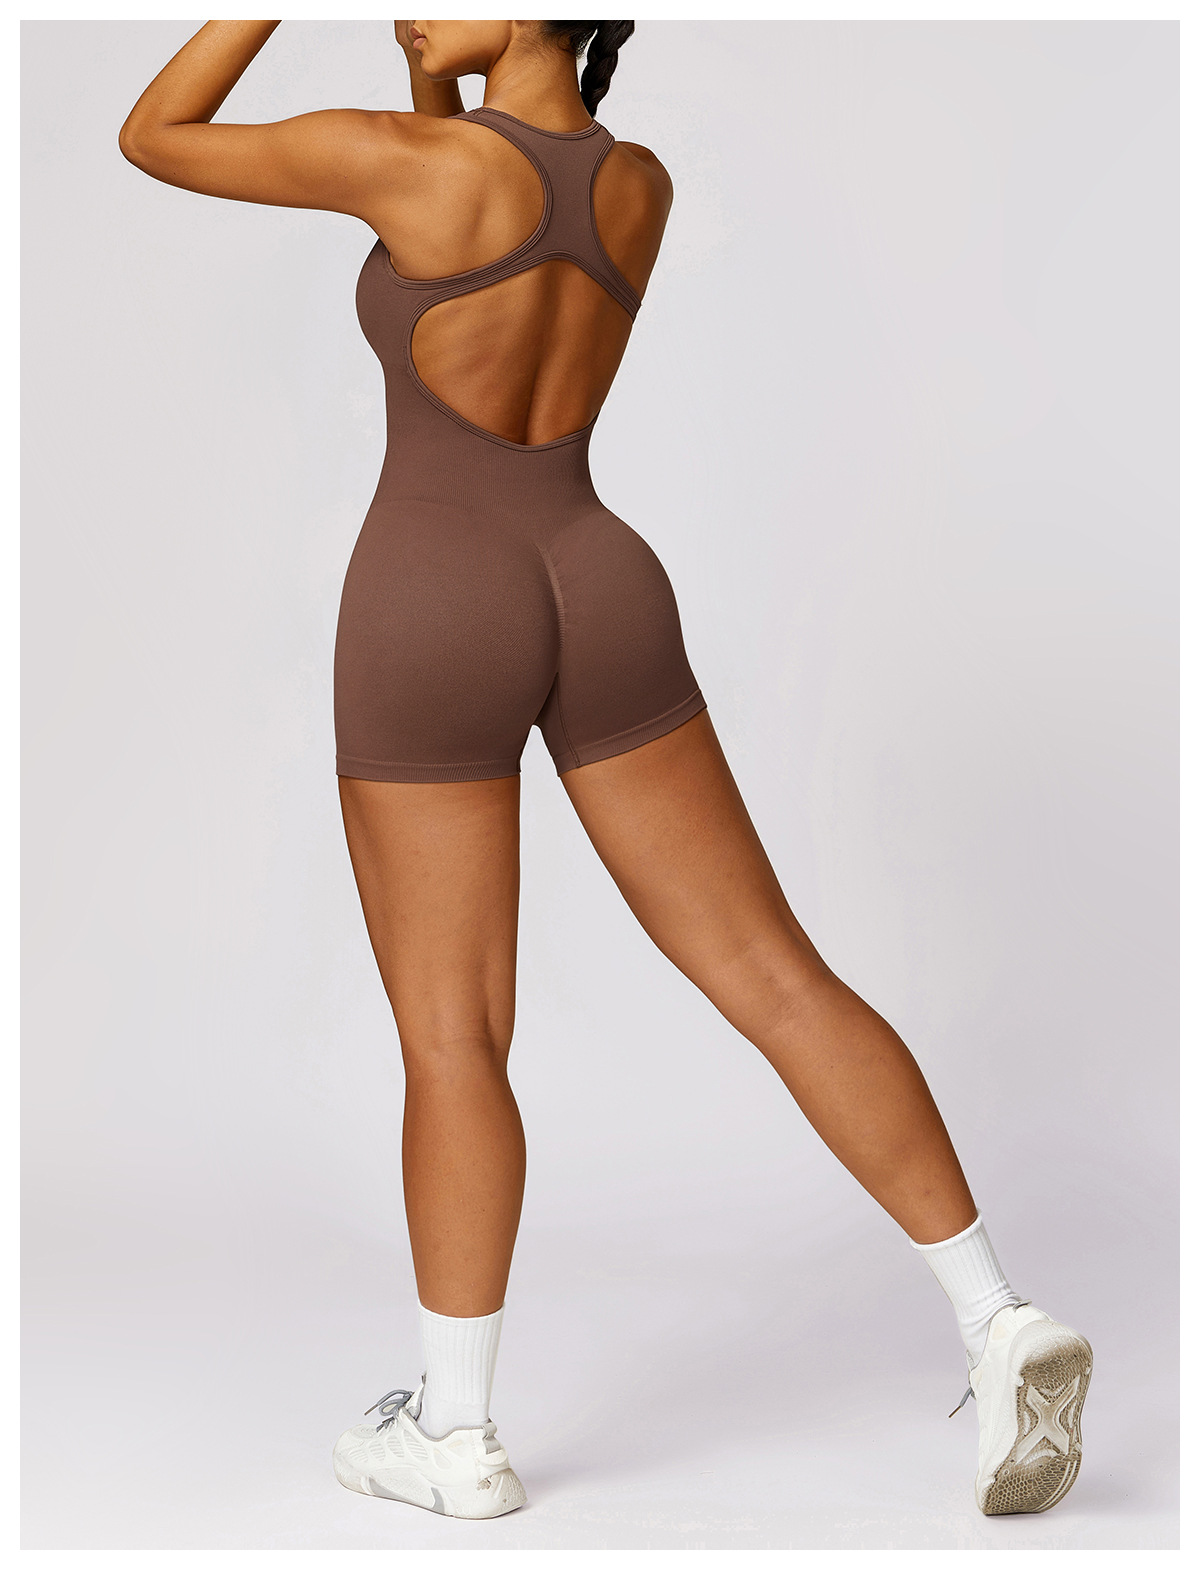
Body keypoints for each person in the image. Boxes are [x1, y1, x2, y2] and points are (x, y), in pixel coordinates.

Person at [119, 18, 1092, 1523]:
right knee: (777, 973)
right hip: (599, 580)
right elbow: (483, 172)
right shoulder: (637, 182)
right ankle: (999, 1313)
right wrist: (442, 71)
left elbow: (155, 136)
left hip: (436, 595)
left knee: (456, 1035)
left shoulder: (413, 165)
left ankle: (455, 1435)